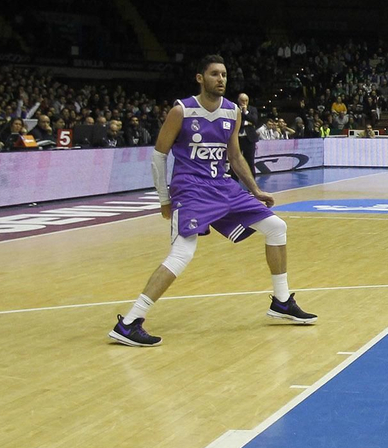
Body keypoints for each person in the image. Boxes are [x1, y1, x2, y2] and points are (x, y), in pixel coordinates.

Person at [108, 55, 316, 348]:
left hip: (223, 187)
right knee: (182, 254)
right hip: (191, 189)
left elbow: (235, 156)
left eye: (224, 75)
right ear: (200, 78)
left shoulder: (232, 111)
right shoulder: (181, 110)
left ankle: (281, 301)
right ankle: (129, 323)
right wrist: (164, 199)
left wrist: (254, 190)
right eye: (215, 74)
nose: (221, 79)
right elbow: (158, 156)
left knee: (276, 227)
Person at [237, 92, 259, 172]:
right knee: (236, 161)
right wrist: (247, 123)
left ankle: (252, 181)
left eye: (246, 100)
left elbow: (255, 120)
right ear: (238, 100)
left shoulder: (252, 109)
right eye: (242, 100)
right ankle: (234, 181)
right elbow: (235, 122)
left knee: (250, 162)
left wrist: (246, 112)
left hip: (249, 139)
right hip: (237, 139)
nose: (244, 102)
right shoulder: (234, 108)